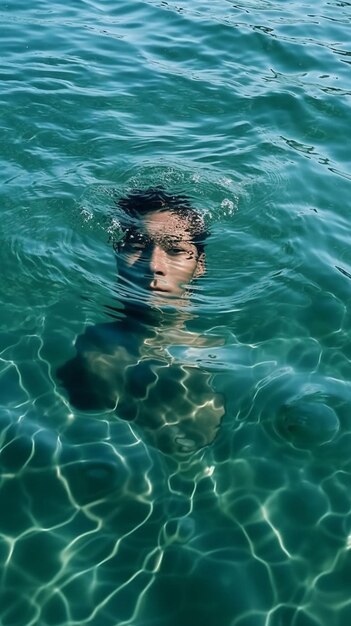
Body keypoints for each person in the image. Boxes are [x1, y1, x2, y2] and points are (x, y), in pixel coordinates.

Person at [57, 187, 224, 455]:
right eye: (137, 246)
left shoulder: (227, 358)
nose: (153, 265)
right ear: (117, 255)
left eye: (175, 249)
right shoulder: (80, 348)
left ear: (200, 265)